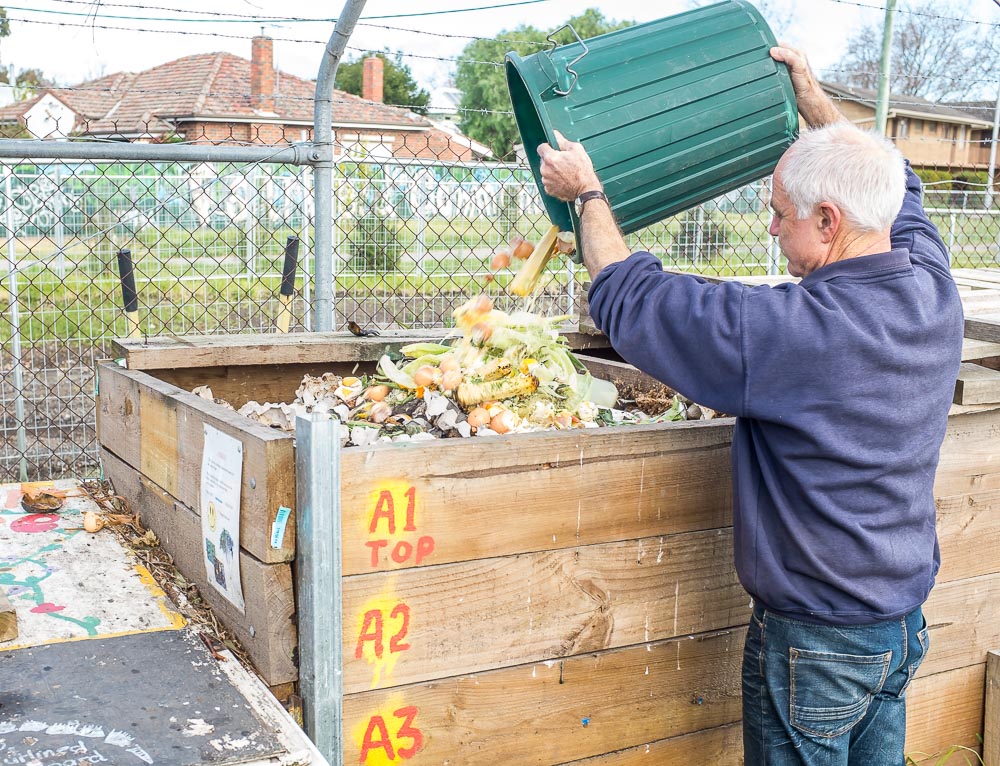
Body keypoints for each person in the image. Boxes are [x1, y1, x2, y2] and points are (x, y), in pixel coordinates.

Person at [537, 46, 964, 766]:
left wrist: (586, 194)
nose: (771, 229)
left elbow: (627, 296)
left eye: (780, 215)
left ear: (828, 221)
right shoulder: (930, 286)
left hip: (816, 642)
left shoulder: (793, 334)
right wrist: (814, 100)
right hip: (897, 627)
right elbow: (901, 185)